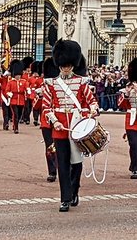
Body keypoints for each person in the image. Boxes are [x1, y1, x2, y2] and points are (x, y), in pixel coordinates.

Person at [42, 39, 99, 212]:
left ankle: (74, 190)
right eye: (63, 65)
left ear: (73, 65)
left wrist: (92, 112)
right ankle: (65, 198)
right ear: (59, 65)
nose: (66, 68)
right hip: (59, 129)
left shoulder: (82, 83)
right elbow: (46, 107)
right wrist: (55, 121)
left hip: (77, 126)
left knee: (76, 164)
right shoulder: (51, 84)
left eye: (68, 65)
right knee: (63, 163)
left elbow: (92, 102)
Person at [40, 57, 59, 183]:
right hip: (47, 122)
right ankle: (52, 171)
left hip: (60, 120)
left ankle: (61, 168)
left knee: (61, 147)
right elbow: (38, 107)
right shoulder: (44, 88)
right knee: (49, 147)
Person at [6, 59, 29, 134]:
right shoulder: (11, 82)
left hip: (21, 100)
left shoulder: (24, 81)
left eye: (19, 75)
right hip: (14, 100)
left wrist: (28, 90)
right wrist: (9, 94)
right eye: (17, 75)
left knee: (19, 115)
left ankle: (14, 124)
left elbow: (26, 87)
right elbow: (7, 90)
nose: (18, 77)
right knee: (15, 114)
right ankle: (16, 128)